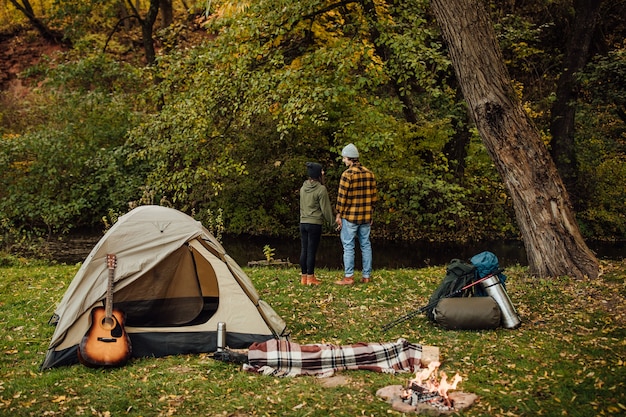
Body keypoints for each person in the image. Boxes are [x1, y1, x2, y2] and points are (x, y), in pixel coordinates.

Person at [334, 143, 378, 285]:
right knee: (365, 245)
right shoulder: (369, 174)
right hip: (365, 216)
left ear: (349, 158)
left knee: (348, 245)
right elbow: (374, 197)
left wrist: (338, 214)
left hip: (350, 217)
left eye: (344, 158)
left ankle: (349, 277)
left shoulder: (347, 175)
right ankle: (366, 276)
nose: (343, 160)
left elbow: (342, 198)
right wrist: (371, 213)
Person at [299, 162, 334, 285]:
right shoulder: (321, 189)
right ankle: (311, 278)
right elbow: (326, 210)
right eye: (322, 171)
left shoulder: (303, 188)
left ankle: (303, 277)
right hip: (314, 223)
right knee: (311, 250)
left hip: (303, 223)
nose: (323, 173)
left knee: (304, 250)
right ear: (318, 174)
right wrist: (334, 224)